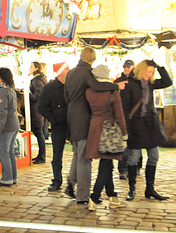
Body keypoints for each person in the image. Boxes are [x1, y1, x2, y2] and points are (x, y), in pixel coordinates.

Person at [64, 47, 119, 205]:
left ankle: (71, 180)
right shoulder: (87, 73)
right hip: (83, 120)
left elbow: (66, 96)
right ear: (92, 58)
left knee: (77, 154)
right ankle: (82, 196)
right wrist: (115, 87)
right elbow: (97, 87)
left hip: (72, 119)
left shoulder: (71, 73)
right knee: (84, 159)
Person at [121, 59, 173, 201]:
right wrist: (126, 128)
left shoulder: (151, 83)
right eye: (148, 71)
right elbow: (124, 108)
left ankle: (150, 189)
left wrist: (159, 67)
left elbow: (168, 82)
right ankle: (132, 188)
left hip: (151, 125)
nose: (150, 74)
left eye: (152, 72)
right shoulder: (130, 84)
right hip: (136, 126)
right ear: (141, 70)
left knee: (154, 156)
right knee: (134, 158)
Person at [85, 65, 127, 210]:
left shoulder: (89, 91)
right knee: (106, 164)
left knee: (107, 163)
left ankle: (112, 196)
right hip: (109, 130)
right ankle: (94, 197)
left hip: (94, 128)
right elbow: (119, 114)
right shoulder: (112, 92)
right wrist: (124, 132)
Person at [38, 62, 70, 192]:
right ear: (61, 72)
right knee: (57, 155)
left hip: (73, 125)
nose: (70, 71)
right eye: (67, 69)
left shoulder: (72, 85)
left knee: (78, 154)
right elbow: (41, 107)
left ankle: (75, 180)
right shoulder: (50, 87)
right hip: (58, 126)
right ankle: (57, 180)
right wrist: (54, 118)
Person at [0, 67, 20, 187]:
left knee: (4, 153)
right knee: (10, 153)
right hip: (14, 124)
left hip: (7, 126)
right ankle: (13, 177)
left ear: (2, 78)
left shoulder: (2, 92)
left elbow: (2, 111)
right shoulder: (11, 90)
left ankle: (6, 179)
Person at [115, 59, 135, 180]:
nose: (127, 70)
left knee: (134, 143)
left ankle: (135, 166)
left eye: (129, 67)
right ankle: (123, 169)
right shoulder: (118, 82)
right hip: (122, 115)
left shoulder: (136, 81)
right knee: (124, 144)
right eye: (125, 68)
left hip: (133, 116)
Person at [29, 62, 48, 164]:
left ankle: (42, 156)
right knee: (39, 132)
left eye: (31, 66)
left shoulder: (37, 80)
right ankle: (41, 155)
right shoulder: (41, 78)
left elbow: (38, 95)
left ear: (36, 68)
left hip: (36, 110)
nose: (29, 68)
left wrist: (27, 95)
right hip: (39, 109)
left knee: (39, 133)